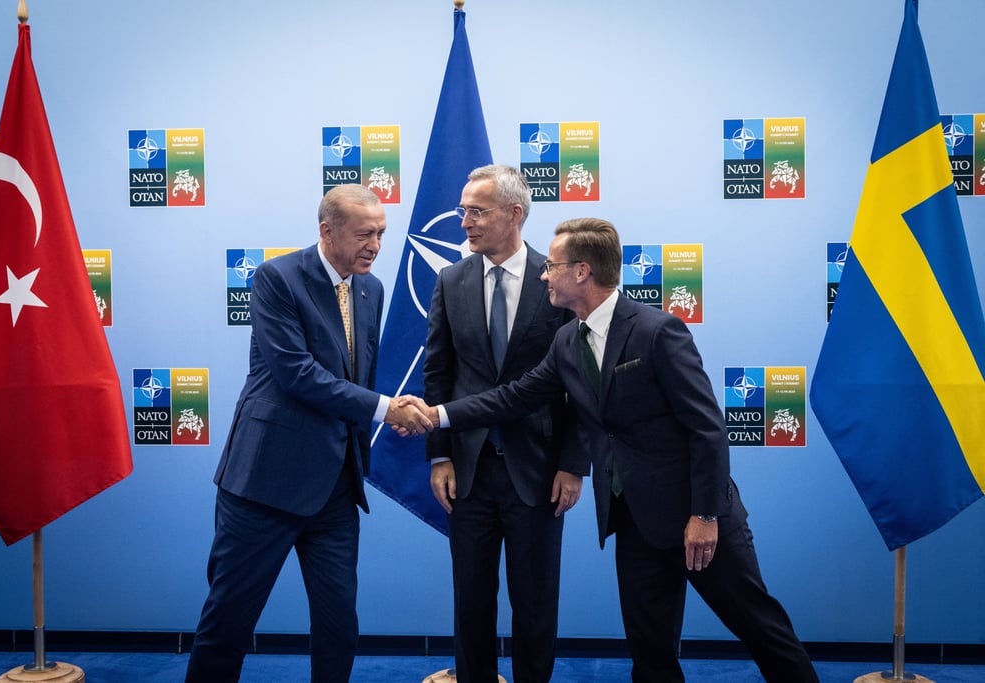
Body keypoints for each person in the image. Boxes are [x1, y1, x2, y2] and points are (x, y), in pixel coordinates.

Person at [404, 218, 819, 683]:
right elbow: (513, 397)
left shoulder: (657, 331)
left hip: (697, 516)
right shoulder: (567, 340)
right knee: (650, 652)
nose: (543, 274)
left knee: (761, 629)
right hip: (634, 520)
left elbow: (707, 429)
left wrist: (704, 515)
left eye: (552, 266)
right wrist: (437, 416)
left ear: (582, 271)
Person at [185, 184, 433, 683]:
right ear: (327, 230)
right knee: (227, 624)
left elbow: (355, 377)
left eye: (381, 234)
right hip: (265, 485)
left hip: (336, 490)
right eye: (364, 234)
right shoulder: (277, 278)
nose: (375, 245)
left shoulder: (371, 290)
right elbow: (297, 374)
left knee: (339, 627)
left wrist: (390, 407)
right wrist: (386, 409)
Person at [423, 165, 585, 683]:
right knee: (471, 602)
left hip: (538, 471)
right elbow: (438, 373)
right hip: (468, 473)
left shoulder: (555, 279)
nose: (464, 222)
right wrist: (440, 454)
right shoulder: (450, 280)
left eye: (476, 211)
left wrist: (572, 464)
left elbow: (579, 385)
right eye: (463, 211)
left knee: (535, 603)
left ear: (514, 214)